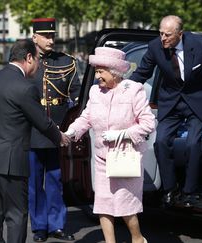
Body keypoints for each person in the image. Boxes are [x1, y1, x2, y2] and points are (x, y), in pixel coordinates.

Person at [0, 39, 71, 243]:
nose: (39, 65)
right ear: (28, 58)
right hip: (11, 164)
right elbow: (42, 122)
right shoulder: (25, 87)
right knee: (16, 215)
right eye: (37, 59)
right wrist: (59, 137)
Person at [129, 15, 202, 208]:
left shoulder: (199, 44)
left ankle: (189, 191)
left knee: (193, 144)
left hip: (197, 101)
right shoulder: (154, 47)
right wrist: (122, 91)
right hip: (170, 102)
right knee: (160, 142)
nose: (163, 38)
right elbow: (141, 73)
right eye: (160, 33)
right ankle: (170, 189)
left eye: (168, 35)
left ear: (180, 34)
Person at [65, 47, 155, 243]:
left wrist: (121, 134)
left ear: (114, 72)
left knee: (125, 203)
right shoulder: (95, 92)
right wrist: (72, 131)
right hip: (102, 156)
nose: (97, 76)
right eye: (96, 71)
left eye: (100, 72)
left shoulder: (133, 90)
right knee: (103, 203)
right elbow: (86, 117)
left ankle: (138, 238)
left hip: (125, 156)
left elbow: (148, 124)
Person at [28, 17, 80, 242]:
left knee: (55, 179)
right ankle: (39, 226)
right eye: (45, 36)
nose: (50, 39)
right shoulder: (27, 62)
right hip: (32, 129)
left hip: (58, 129)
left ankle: (57, 224)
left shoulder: (66, 61)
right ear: (34, 38)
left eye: (52, 35)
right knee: (34, 181)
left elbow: (76, 92)